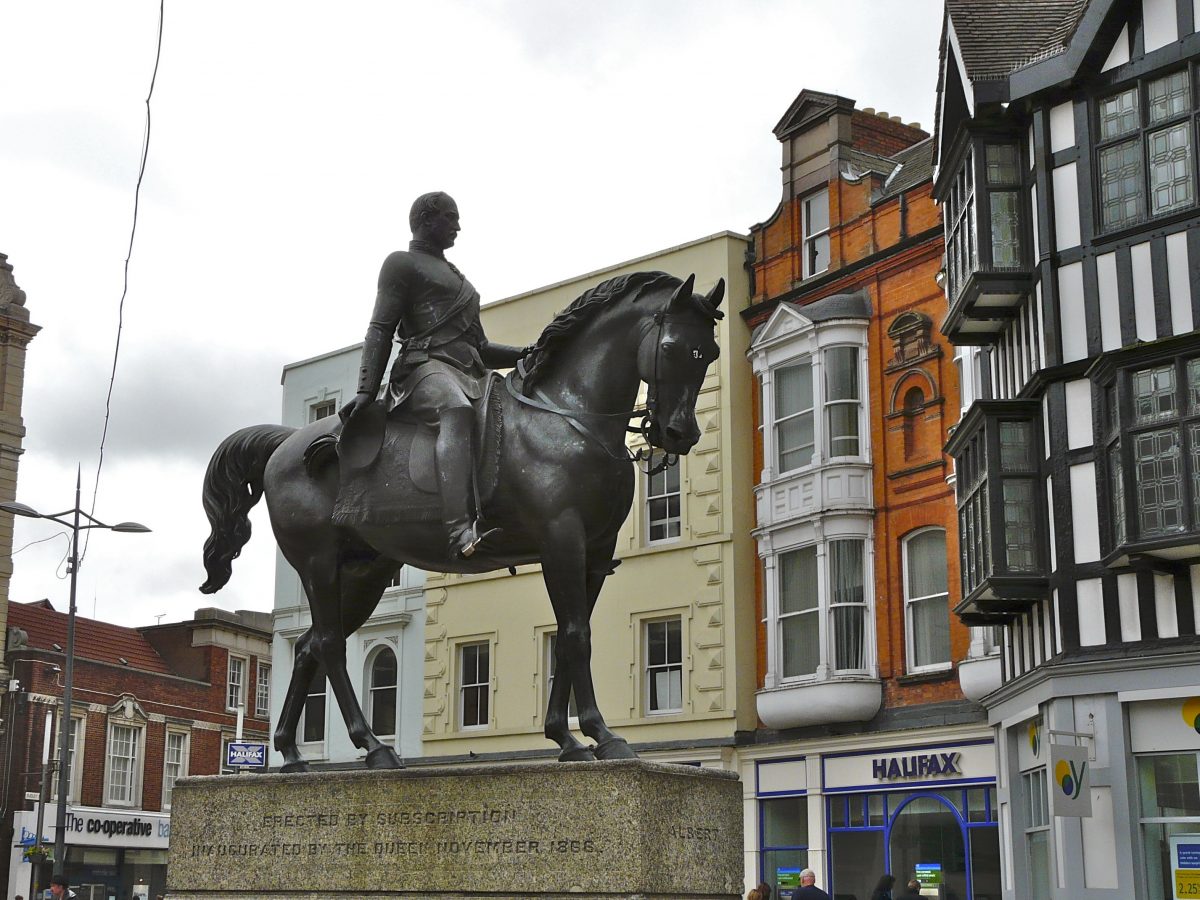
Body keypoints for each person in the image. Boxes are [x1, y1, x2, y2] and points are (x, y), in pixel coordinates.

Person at [341, 191, 529, 559]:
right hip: (423, 370)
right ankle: (459, 529)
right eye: (451, 217)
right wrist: (365, 391)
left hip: (470, 372)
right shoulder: (401, 264)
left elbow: (482, 347)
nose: (458, 225)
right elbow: (380, 328)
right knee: (454, 410)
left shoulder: (461, 281)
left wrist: (529, 353)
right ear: (427, 220)